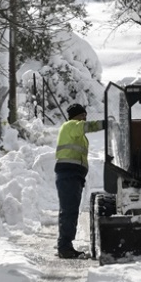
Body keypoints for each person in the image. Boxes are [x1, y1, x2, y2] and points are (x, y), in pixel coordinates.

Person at [54, 103, 105, 258]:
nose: (85, 118)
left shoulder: (75, 132)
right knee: (69, 211)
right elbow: (86, 126)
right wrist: (105, 124)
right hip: (69, 174)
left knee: (70, 210)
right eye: (83, 115)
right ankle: (64, 247)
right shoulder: (71, 126)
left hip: (73, 175)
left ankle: (65, 244)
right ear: (76, 116)